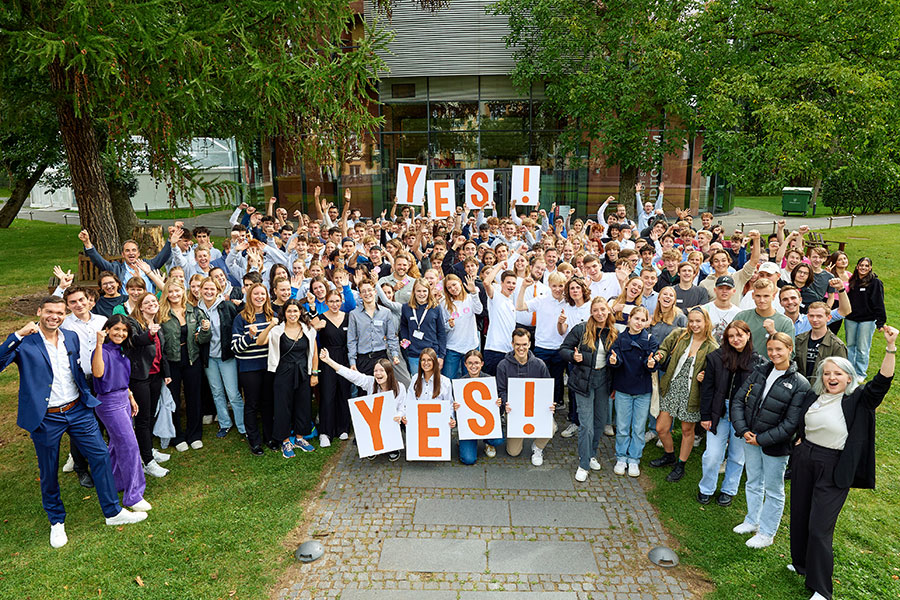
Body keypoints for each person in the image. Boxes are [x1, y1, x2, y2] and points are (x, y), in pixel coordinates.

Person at [0, 296, 147, 548]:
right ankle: (57, 521)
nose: (54, 316)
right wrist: (16, 334)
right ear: (39, 311)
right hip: (46, 417)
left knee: (100, 455)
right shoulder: (26, 342)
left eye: (59, 312)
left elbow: (76, 369)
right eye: (49, 312)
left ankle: (112, 512)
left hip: (77, 409)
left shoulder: (71, 337)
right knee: (49, 470)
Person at [790, 327, 897, 600]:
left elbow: (882, 381)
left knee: (819, 527)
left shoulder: (857, 399)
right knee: (800, 515)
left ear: (849, 377)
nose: (831, 378)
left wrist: (890, 348)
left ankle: (821, 590)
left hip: (834, 466)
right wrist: (801, 442)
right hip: (806, 460)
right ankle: (801, 564)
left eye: (838, 373)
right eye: (827, 373)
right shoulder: (814, 396)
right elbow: (803, 421)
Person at [731, 332, 810, 549]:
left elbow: (791, 423)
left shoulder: (799, 383)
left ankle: (767, 532)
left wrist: (762, 439)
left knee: (774, 490)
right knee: (753, 481)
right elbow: (738, 400)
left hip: (775, 446)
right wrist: (743, 429)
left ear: (789, 349)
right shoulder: (760, 371)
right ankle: (752, 520)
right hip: (750, 438)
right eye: (771, 349)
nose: (774, 353)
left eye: (779, 349)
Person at [697, 320, 763, 507]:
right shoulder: (715, 358)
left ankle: (729, 489)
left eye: (739, 335)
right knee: (712, 455)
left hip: (743, 416)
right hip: (719, 411)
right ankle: (706, 488)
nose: (735, 339)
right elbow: (707, 389)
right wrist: (705, 416)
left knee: (737, 456)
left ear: (748, 335)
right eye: (731, 336)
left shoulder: (758, 362)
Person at [650, 307, 719, 482]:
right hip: (672, 387)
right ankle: (669, 455)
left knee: (687, 431)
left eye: (698, 321)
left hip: (692, 393)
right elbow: (664, 348)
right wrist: (659, 356)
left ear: (706, 323)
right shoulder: (680, 334)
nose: (694, 325)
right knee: (661, 428)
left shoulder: (712, 346)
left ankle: (680, 464)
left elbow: (715, 372)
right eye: (692, 321)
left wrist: (705, 376)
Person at [91, 316, 151, 512]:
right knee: (130, 446)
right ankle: (133, 496)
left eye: (124, 331)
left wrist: (130, 396)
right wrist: (99, 344)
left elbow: (122, 380)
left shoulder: (122, 352)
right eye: (116, 329)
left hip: (123, 400)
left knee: (118, 445)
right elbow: (98, 373)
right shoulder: (102, 351)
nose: (120, 334)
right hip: (109, 403)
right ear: (107, 329)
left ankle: (116, 482)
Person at [559, 297, 617, 481]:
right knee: (586, 424)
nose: (600, 313)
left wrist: (616, 363)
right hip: (583, 381)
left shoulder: (613, 333)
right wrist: (572, 356)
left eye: (603, 309)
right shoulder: (581, 329)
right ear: (591, 312)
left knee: (600, 422)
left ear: (608, 311)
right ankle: (583, 464)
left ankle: (591, 453)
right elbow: (563, 349)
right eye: (596, 310)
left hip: (603, 381)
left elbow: (617, 359)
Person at [319, 348, 406, 461]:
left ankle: (393, 447)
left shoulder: (399, 387)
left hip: (392, 421)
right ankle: (371, 446)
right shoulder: (370, 382)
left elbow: (402, 407)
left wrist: (399, 415)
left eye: (381, 371)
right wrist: (328, 361)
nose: (378, 374)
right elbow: (350, 374)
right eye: (375, 371)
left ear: (389, 373)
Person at [158, 280, 211, 452]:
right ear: (166, 293)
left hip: (191, 358)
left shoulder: (194, 311)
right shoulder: (161, 314)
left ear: (183, 291)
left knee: (194, 397)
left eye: (177, 291)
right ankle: (177, 436)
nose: (174, 294)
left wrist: (205, 330)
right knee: (173, 399)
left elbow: (204, 339)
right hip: (171, 361)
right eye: (170, 291)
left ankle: (194, 434)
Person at [261, 299, 318, 457]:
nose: (292, 314)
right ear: (284, 313)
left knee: (303, 405)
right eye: (289, 311)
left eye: (295, 311)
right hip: (283, 372)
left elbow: (314, 353)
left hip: (302, 372)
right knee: (282, 407)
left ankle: (300, 438)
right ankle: (285, 440)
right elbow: (260, 341)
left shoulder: (308, 329)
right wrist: (270, 325)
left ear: (300, 312)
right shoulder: (277, 330)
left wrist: (314, 373)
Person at [608, 307, 659, 477]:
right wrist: (614, 361)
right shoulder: (620, 338)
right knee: (622, 426)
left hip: (642, 390)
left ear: (647, 322)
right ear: (629, 319)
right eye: (636, 318)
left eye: (642, 320)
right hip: (623, 389)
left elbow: (651, 360)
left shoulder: (651, 340)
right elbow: (614, 358)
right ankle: (621, 457)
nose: (639, 323)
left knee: (638, 428)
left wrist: (650, 364)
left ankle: (634, 458)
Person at [126, 292, 171, 478]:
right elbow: (135, 341)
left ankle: (149, 450)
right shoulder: (133, 323)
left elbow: (161, 352)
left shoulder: (156, 324)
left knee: (151, 414)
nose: (152, 304)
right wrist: (150, 334)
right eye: (147, 302)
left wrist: (166, 373)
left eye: (154, 301)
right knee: (143, 419)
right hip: (140, 378)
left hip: (155, 377)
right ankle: (147, 461)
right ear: (141, 306)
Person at [496, 328, 555, 466]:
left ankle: (538, 448)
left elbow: (546, 388)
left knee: (551, 427)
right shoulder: (503, 365)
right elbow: (501, 390)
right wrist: (506, 404)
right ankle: (515, 432)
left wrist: (549, 404)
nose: (521, 348)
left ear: (529, 344)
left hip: (535, 409)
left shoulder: (539, 364)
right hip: (514, 411)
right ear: (512, 344)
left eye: (524, 344)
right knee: (513, 452)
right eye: (517, 344)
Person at [197, 277, 245, 438]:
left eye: (212, 289)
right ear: (200, 290)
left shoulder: (227, 306)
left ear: (218, 290)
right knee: (217, 392)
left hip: (226, 356)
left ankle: (242, 424)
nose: (209, 292)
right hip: (209, 358)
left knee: (233, 393)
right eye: (206, 289)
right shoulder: (197, 309)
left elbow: (239, 322)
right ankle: (225, 423)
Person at [232, 283, 276, 455]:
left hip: (268, 365)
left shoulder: (272, 316)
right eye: (256, 294)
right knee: (251, 404)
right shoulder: (241, 318)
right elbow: (235, 347)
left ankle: (269, 437)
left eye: (262, 294)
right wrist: (249, 336)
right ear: (250, 296)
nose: (259, 297)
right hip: (249, 367)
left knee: (268, 403)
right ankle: (255, 441)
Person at [516, 272, 568, 416]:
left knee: (557, 380)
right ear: (549, 286)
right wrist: (523, 288)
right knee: (540, 379)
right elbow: (520, 307)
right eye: (554, 286)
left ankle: (554, 408)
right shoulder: (541, 299)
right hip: (542, 347)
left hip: (559, 347)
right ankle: (539, 407)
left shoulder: (568, 302)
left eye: (561, 286)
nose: (558, 289)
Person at [79, 228, 176, 294]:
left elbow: (163, 256)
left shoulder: (148, 265)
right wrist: (87, 243)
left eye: (134, 250)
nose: (131, 253)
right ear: (123, 254)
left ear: (138, 253)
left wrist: (171, 239)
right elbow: (99, 262)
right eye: (127, 251)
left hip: (149, 303)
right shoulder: (116, 269)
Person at [453, 350, 505, 465]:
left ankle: (488, 442)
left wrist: (498, 405)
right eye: (470, 363)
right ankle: (463, 439)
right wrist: (455, 408)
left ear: (482, 363)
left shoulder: (490, 381)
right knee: (468, 459)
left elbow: (499, 413)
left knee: (499, 440)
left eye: (476, 362)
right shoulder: (460, 383)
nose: (473, 366)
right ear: (465, 364)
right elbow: (456, 415)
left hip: (486, 424)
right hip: (469, 426)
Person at [314, 289, 352, 447]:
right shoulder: (320, 318)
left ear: (341, 302)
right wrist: (317, 327)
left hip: (344, 357)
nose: (335, 304)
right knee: (328, 394)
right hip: (327, 358)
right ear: (326, 303)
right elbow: (309, 335)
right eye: (331, 301)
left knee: (344, 392)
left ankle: (343, 427)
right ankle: (325, 432)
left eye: (337, 301)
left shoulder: (348, 318)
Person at [845, 257, 886, 382]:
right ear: (857, 266)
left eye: (866, 266)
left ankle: (860, 372)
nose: (863, 268)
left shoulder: (875, 283)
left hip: (867, 320)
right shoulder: (852, 281)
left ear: (870, 268)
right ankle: (850, 371)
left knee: (862, 348)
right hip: (851, 319)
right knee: (850, 346)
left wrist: (880, 322)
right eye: (861, 265)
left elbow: (879, 302)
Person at [348, 279, 401, 376]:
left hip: (381, 357)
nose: (367, 293)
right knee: (363, 390)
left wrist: (394, 354)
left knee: (383, 388)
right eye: (363, 291)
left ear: (375, 292)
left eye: (369, 290)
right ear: (360, 295)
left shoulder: (386, 312)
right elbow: (351, 340)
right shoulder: (354, 315)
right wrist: (352, 361)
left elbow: (391, 336)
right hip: (363, 359)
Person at [734, 279, 794, 359]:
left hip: (771, 369)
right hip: (743, 367)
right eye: (758, 296)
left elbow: (791, 354)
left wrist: (774, 333)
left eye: (766, 296)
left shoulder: (786, 322)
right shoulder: (741, 317)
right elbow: (728, 344)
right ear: (753, 295)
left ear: (773, 296)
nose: (762, 300)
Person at [400, 278, 447, 374]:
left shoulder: (435, 308)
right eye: (418, 291)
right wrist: (405, 338)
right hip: (414, 353)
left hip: (432, 352)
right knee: (417, 383)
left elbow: (441, 332)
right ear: (414, 292)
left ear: (429, 292)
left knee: (433, 382)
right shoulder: (406, 307)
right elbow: (403, 326)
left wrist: (441, 356)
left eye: (424, 291)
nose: (422, 294)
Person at [441, 273, 483, 378]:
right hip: (452, 347)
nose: (453, 289)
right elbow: (442, 326)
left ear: (460, 282)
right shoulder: (444, 303)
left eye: (454, 285)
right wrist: (449, 325)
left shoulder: (470, 298)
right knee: (448, 379)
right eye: (449, 287)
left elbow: (479, 310)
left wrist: (474, 293)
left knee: (469, 379)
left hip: (471, 346)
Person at [794, 302, 848, 380]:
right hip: (801, 387)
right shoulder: (799, 340)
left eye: (819, 316)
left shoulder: (836, 345)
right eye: (811, 316)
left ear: (828, 318)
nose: (814, 319)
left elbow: (841, 373)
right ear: (807, 317)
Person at [702, 276, 742, 344]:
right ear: (715, 290)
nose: (724, 291)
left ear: (734, 291)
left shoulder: (739, 313)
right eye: (721, 288)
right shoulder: (704, 309)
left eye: (728, 288)